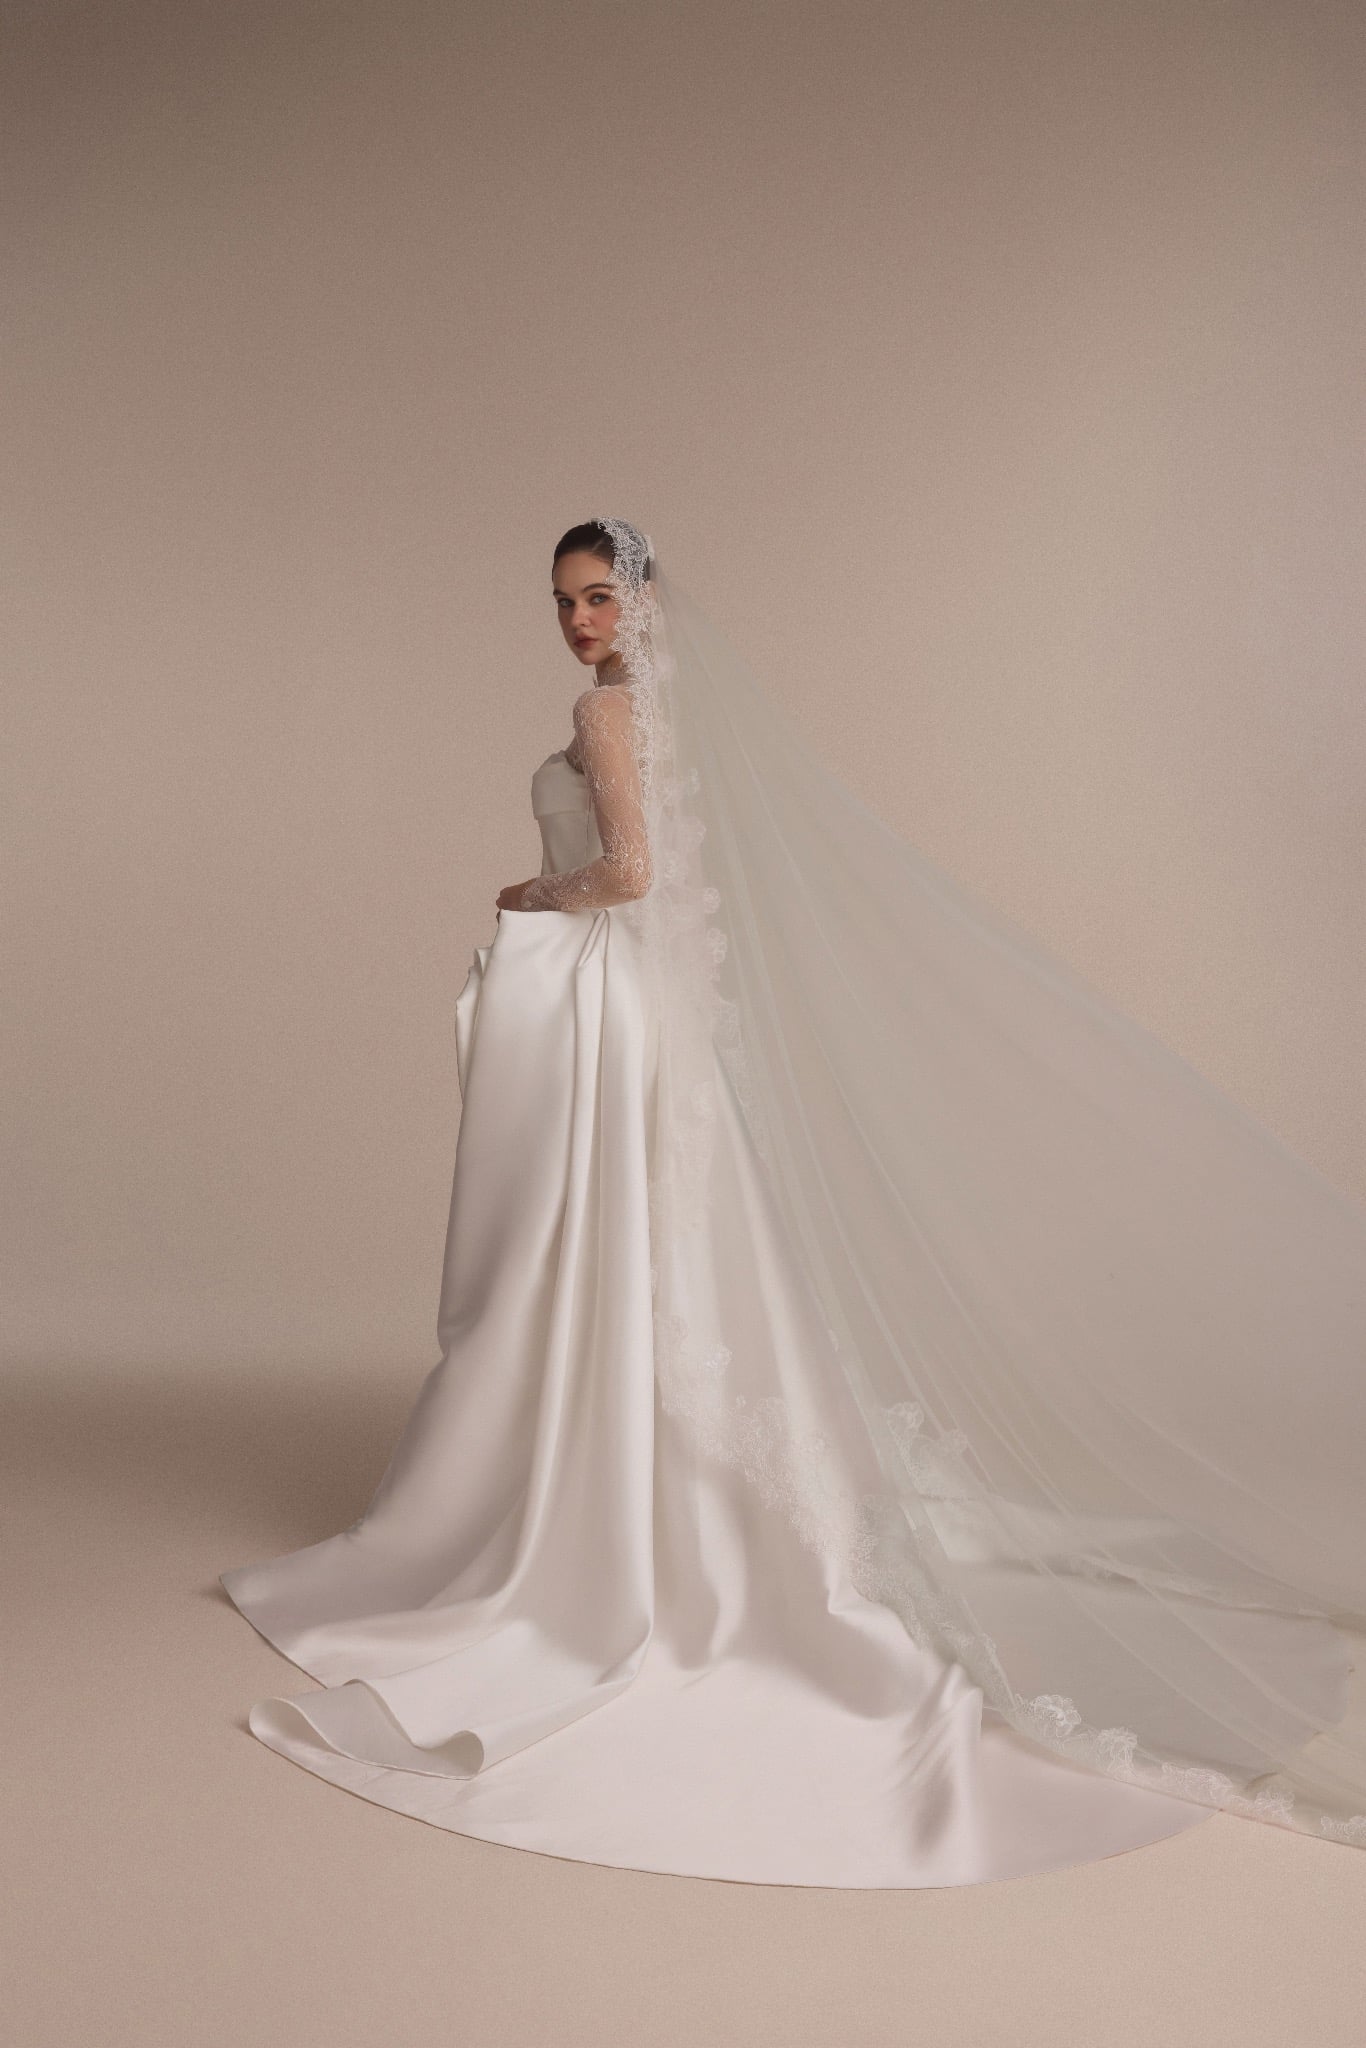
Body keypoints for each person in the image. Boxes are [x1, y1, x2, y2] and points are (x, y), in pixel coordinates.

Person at [221, 517, 1366, 1886]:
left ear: (642, 602)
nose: (579, 623)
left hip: (600, 1002)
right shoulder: (666, 717)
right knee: (638, 1249)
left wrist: (529, 890)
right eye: (563, 602)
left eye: (599, 597)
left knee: (584, 1251)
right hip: (638, 1009)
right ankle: (626, 1492)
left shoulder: (605, 715)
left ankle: (592, 1520)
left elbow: (629, 875)